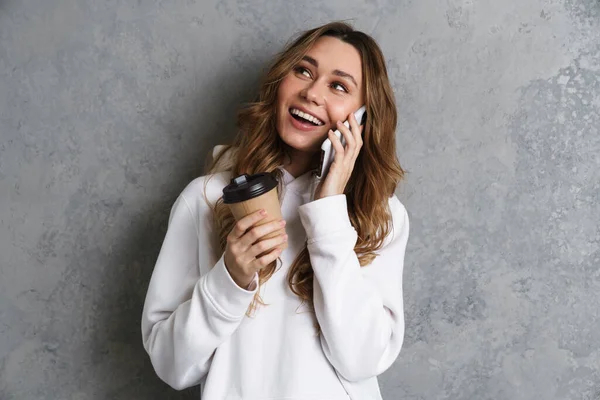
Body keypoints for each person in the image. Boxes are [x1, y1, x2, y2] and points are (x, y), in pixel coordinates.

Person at [141, 21, 410, 400]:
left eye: (338, 86)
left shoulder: (380, 215)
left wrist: (329, 212)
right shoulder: (205, 198)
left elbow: (362, 361)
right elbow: (171, 366)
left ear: (363, 115)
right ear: (279, 83)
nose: (311, 93)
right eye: (303, 71)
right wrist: (230, 278)